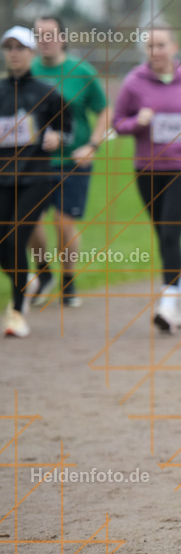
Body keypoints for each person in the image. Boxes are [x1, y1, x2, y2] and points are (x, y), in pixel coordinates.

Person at [112, 23, 181, 332]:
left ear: (174, 46)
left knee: (170, 231)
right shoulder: (134, 82)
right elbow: (117, 123)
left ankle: (169, 299)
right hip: (147, 169)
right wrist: (136, 122)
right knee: (164, 233)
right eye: (150, 46)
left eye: (161, 45)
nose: (156, 51)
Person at [25, 15, 110, 308]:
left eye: (50, 35)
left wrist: (92, 145)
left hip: (72, 161)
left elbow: (104, 110)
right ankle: (43, 271)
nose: (44, 41)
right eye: (39, 36)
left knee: (63, 222)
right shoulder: (26, 71)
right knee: (29, 221)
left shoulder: (81, 71)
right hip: (33, 161)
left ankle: (68, 278)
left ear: (62, 37)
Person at [0, 26, 69, 336]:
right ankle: (30, 277)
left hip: (36, 178)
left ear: (30, 53)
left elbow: (68, 128)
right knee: (5, 244)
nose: (14, 52)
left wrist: (58, 137)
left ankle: (16, 311)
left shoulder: (47, 93)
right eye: (8, 47)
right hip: (2, 178)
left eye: (20, 47)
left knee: (16, 239)